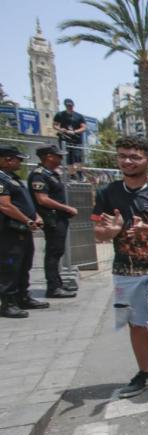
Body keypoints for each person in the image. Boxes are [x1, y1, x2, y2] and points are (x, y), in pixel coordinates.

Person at [91, 135, 148, 405]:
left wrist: (145, 228)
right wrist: (111, 231)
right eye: (122, 156)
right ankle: (145, 372)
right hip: (125, 271)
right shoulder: (107, 193)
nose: (127, 161)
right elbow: (98, 232)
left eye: (135, 157)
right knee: (137, 324)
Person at [0, 145, 48, 318]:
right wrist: (27, 220)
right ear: (7, 159)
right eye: (18, 160)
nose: (20, 163)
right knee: (10, 267)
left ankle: (22, 297)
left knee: (24, 264)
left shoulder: (12, 178)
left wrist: (35, 216)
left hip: (23, 230)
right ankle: (8, 303)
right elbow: (4, 205)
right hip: (9, 232)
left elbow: (24, 201)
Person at [28, 145, 78, 298]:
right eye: (58, 156)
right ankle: (53, 287)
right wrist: (66, 208)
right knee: (53, 253)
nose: (61, 158)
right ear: (49, 157)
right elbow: (42, 199)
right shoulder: (39, 175)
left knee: (57, 252)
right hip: (52, 218)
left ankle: (57, 283)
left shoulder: (51, 174)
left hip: (59, 218)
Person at [53, 99, 86, 175]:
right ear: (65, 106)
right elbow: (54, 125)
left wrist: (74, 132)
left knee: (78, 157)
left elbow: (84, 127)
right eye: (68, 106)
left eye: (71, 105)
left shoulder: (79, 116)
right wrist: (60, 129)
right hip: (65, 139)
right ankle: (72, 175)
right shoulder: (60, 115)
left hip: (76, 140)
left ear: (73, 105)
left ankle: (79, 174)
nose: (69, 107)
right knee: (68, 159)